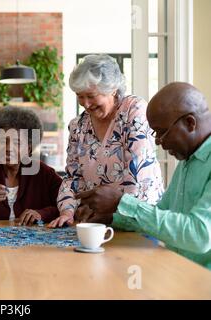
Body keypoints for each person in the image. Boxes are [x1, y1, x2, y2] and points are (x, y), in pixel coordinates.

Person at [75, 82, 211, 269]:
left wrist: (122, 202)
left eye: (162, 132)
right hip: (178, 272)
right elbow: (160, 215)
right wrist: (111, 218)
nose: (157, 141)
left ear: (190, 123)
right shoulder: (188, 160)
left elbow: (200, 235)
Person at [48, 54, 164, 228]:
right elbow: (73, 178)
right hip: (97, 221)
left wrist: (108, 213)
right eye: (80, 96)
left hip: (138, 219)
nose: (85, 104)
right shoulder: (78, 126)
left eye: (91, 96)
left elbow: (138, 176)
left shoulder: (134, 111)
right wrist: (67, 211)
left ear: (113, 89)